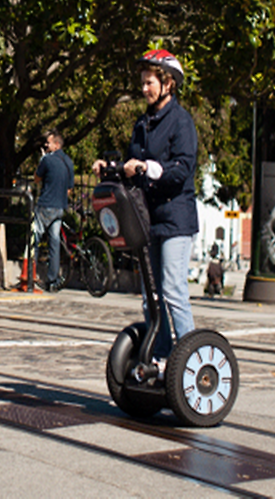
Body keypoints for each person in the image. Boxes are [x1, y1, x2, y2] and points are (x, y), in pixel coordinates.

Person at [91, 49, 198, 356]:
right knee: (149, 294)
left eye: (149, 82)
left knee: (172, 290)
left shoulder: (181, 122)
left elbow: (182, 168)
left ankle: (189, 360)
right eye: (142, 83)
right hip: (147, 218)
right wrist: (109, 168)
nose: (144, 89)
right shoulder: (143, 123)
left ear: (168, 84)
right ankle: (162, 357)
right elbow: (130, 163)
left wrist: (146, 168)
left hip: (176, 218)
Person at [33, 129, 74, 290]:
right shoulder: (68, 161)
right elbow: (69, 188)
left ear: (56, 144)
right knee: (54, 242)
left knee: (35, 237)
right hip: (60, 206)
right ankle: (52, 279)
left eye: (48, 143)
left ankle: (31, 273)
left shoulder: (47, 160)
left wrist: (42, 160)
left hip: (45, 204)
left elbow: (37, 178)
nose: (46, 145)